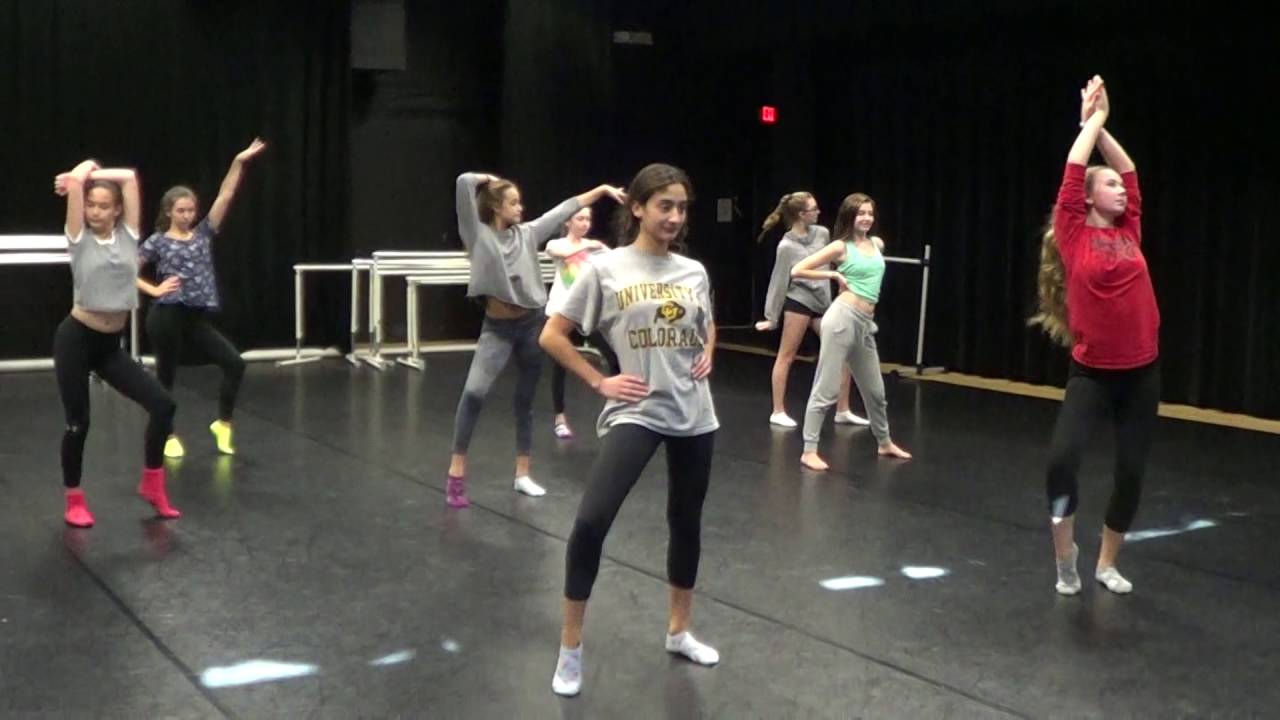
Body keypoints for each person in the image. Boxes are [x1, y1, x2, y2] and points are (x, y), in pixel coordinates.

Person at [541, 163, 720, 697]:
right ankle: (570, 650)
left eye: (681, 207)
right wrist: (599, 381)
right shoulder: (605, 268)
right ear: (637, 207)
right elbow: (553, 335)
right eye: (664, 205)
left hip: (695, 414)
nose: (673, 216)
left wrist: (707, 354)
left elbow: (704, 325)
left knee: (685, 523)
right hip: (637, 410)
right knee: (592, 521)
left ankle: (679, 630)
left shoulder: (694, 272)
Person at [1030, 76, 1158, 596]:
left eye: (1122, 188)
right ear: (1085, 198)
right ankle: (1067, 558)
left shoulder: (1130, 230)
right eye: (1109, 186)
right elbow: (1074, 169)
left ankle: (1106, 562)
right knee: (1061, 462)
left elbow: (1128, 167)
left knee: (1130, 472)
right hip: (1093, 374)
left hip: (1142, 372)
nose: (1121, 189)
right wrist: (1091, 122)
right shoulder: (1073, 231)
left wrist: (1101, 124)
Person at [445, 171, 625, 507]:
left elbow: (564, 209)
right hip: (496, 328)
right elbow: (462, 185)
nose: (520, 207)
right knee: (473, 393)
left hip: (530, 325)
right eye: (513, 202)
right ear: (497, 206)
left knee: (524, 400)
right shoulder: (477, 234)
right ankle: (456, 473)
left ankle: (523, 474)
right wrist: (486, 179)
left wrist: (600, 190)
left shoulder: (528, 234)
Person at [52, 159, 179, 526]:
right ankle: (74, 499)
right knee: (79, 423)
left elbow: (129, 178)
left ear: (117, 209)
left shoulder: (128, 235)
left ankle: (153, 484)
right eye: (90, 205)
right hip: (75, 338)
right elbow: (76, 186)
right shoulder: (78, 238)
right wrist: (81, 175)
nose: (94, 211)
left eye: (103, 206)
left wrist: (88, 172)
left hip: (110, 346)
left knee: (163, 405)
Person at [138, 138, 267, 458]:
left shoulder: (204, 233)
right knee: (166, 379)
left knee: (234, 364)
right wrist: (153, 289)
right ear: (169, 212)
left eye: (191, 209)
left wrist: (239, 162)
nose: (187, 215)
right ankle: (166, 435)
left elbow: (226, 195)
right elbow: (125, 269)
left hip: (194, 317)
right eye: (181, 210)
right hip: (166, 316)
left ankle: (223, 423)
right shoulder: (157, 241)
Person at [790, 192, 912, 471]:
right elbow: (798, 269)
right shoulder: (840, 247)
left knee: (876, 391)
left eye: (870, 213)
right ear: (850, 217)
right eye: (861, 214)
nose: (867, 218)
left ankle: (884, 441)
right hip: (842, 318)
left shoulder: (877, 244)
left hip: (865, 324)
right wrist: (832, 274)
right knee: (827, 387)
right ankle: (809, 450)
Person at [754, 191, 864, 428]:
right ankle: (778, 410)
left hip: (822, 302)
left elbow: (835, 258)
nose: (818, 212)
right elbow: (779, 280)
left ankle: (843, 409)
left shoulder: (822, 234)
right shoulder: (786, 246)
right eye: (814, 209)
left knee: (843, 351)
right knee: (787, 355)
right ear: (802, 215)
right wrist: (771, 316)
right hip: (799, 301)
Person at [544, 206, 620, 439]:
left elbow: (616, 261)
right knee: (560, 366)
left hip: (587, 313)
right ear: (568, 222)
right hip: (560, 311)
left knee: (613, 355)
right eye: (580, 219)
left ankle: (616, 408)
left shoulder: (596, 248)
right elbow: (561, 252)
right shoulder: (558, 245)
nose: (585, 223)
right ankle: (560, 418)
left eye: (588, 219)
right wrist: (589, 246)